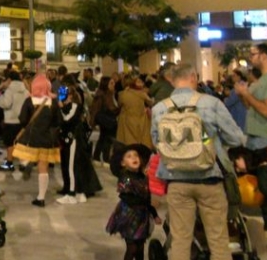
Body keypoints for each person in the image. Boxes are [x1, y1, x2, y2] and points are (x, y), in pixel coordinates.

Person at [151, 63, 246, 260]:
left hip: (176, 179)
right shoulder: (211, 103)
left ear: (172, 80)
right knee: (219, 240)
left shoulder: (160, 108)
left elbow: (157, 141)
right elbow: (236, 138)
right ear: (193, 77)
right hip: (209, 177)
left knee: (180, 240)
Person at [13, 74, 62, 207]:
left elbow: (22, 120)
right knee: (43, 168)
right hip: (47, 139)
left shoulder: (29, 101)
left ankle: (27, 162)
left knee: (22, 155)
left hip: (31, 138)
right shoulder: (53, 103)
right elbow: (57, 122)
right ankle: (41, 197)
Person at [105, 143, 159, 260]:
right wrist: (144, 203)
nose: (134, 158)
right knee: (132, 247)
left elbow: (147, 198)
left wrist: (154, 214)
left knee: (140, 248)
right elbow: (126, 197)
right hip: (129, 217)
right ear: (123, 163)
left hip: (142, 218)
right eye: (129, 156)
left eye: (136, 155)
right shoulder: (125, 177)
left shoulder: (144, 178)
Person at [57, 83, 101, 204]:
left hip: (74, 140)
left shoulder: (75, 106)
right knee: (74, 166)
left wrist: (61, 107)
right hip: (70, 140)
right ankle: (79, 192)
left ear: (70, 96)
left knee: (72, 167)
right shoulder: (71, 106)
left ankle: (72, 194)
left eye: (65, 95)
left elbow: (67, 119)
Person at [0, 70, 29, 172]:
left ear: (9, 79)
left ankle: (9, 163)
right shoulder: (25, 90)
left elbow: (6, 103)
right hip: (22, 120)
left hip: (11, 120)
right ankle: (23, 164)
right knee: (21, 142)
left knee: (10, 142)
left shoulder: (10, 90)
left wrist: (0, 98)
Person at [117, 74, 153, 149]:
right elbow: (151, 102)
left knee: (128, 142)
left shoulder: (122, 94)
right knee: (142, 141)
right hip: (141, 120)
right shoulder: (142, 94)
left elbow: (119, 105)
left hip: (126, 120)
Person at [91, 76, 120, 163]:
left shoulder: (111, 93)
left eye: (114, 83)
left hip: (108, 119)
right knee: (108, 138)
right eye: (111, 83)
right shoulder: (103, 95)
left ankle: (97, 156)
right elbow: (96, 109)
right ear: (105, 84)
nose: (113, 84)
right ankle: (105, 157)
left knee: (103, 138)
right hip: (106, 120)